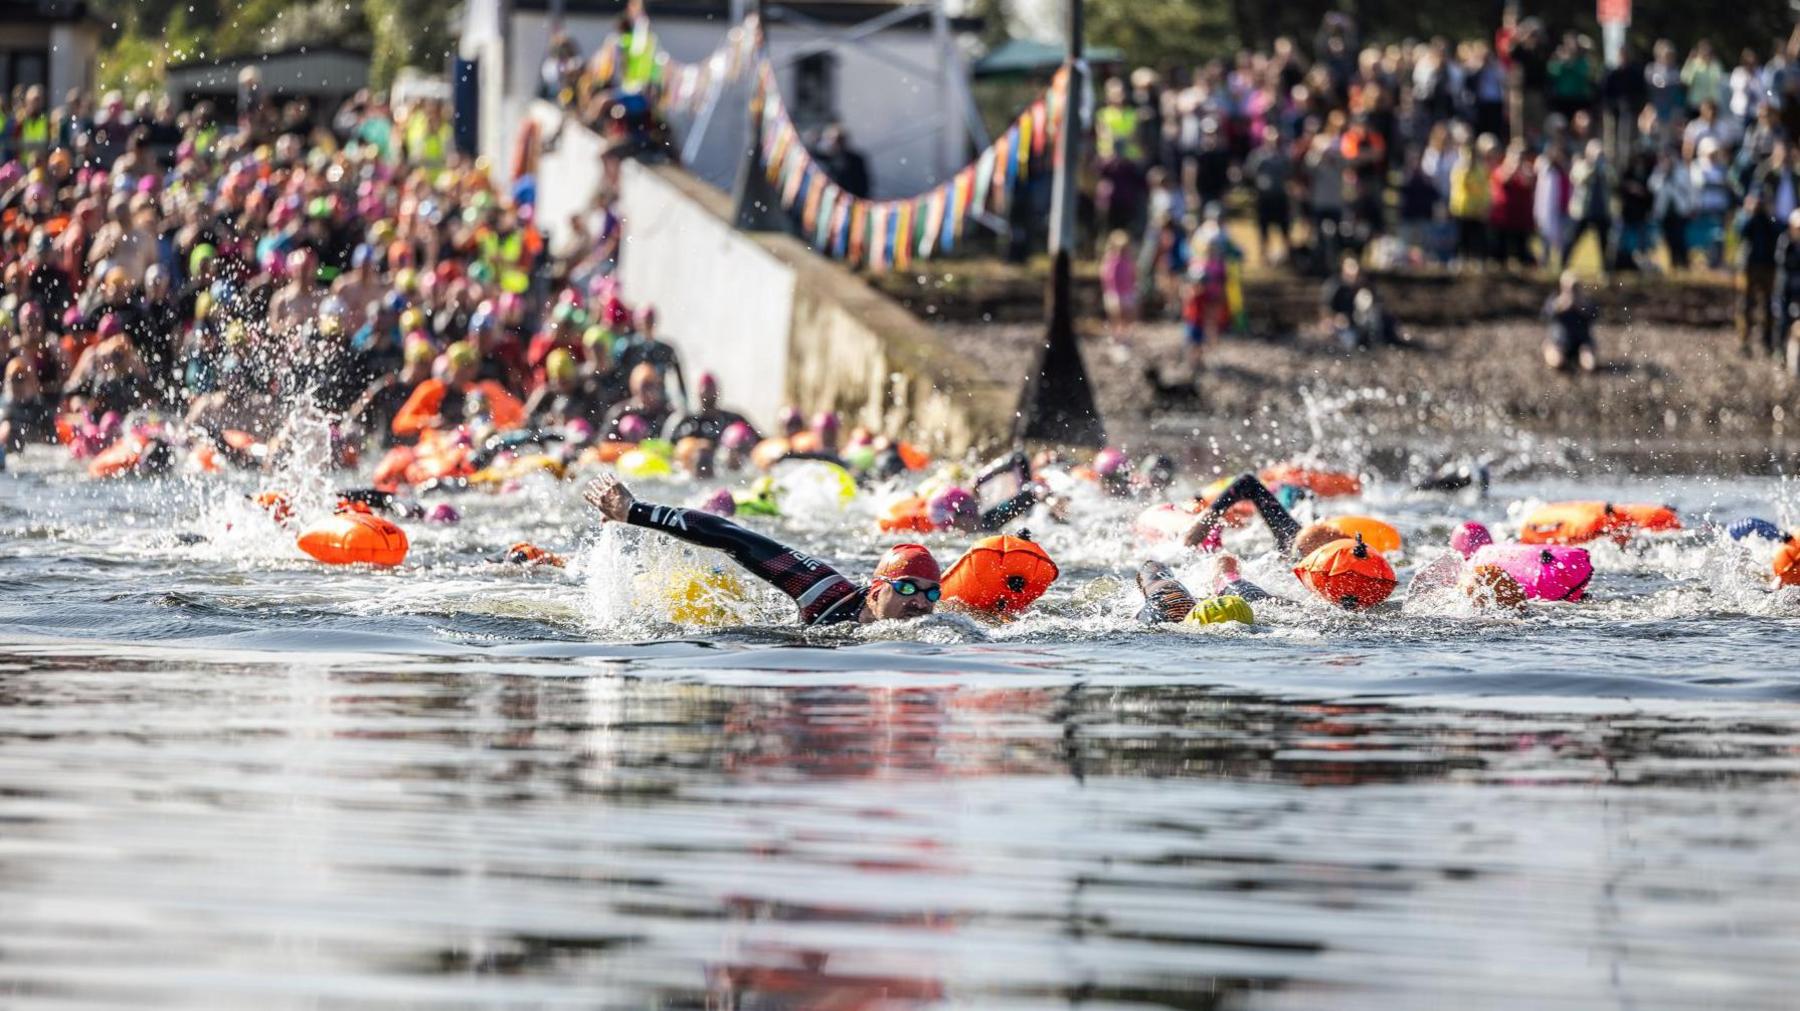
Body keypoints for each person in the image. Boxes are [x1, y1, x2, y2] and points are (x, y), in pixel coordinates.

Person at [583, 474, 940, 626]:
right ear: (876, 590)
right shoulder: (826, 593)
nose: (921, 603)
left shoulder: (938, 628)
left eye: (931, 593)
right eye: (907, 588)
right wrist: (636, 512)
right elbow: (732, 536)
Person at [1736, 191, 1783, 356]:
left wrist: (1770, 213)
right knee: (1746, 304)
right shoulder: (1750, 221)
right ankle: (1745, 340)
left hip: (1768, 266)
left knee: (1769, 304)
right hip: (1750, 266)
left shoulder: (1770, 221)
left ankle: (1767, 340)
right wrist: (1749, 212)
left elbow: (1778, 229)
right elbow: (1741, 231)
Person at [1320, 256, 1398, 349]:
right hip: (1341, 326)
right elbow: (1326, 310)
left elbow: (1374, 305)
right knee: (1349, 340)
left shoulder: (1363, 285)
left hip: (1358, 322)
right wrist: (1334, 319)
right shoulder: (1334, 286)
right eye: (1350, 267)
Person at [669, 372, 755, 443]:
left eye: (711, 391)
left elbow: (759, 443)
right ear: (698, 393)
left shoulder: (732, 420)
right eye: (706, 392)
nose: (708, 395)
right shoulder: (689, 423)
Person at [1542, 270, 1599, 372]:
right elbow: (1545, 315)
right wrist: (1560, 305)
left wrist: (1580, 305)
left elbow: (1594, 316)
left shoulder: (1585, 301)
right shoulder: (1555, 299)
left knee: (1590, 364)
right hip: (1559, 341)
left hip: (1582, 343)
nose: (1572, 290)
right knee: (1556, 361)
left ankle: (1576, 359)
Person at [1099, 230, 1138, 345]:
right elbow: (1106, 276)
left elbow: (1133, 274)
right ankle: (1116, 335)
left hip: (1127, 292)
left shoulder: (1128, 260)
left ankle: (1124, 335)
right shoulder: (1110, 260)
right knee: (1116, 316)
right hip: (1114, 293)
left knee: (1128, 315)